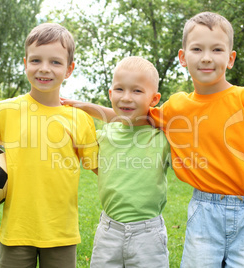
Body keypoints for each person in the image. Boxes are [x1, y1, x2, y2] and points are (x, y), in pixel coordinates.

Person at [62, 12, 244, 267]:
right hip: (204, 209)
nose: (206, 57)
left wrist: (237, 176)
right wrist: (86, 106)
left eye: (217, 49)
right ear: (183, 57)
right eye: (197, 49)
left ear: (230, 59)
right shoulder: (177, 107)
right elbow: (131, 117)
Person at [0, 23, 98, 268]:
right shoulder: (6, 110)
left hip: (61, 232)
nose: (44, 69)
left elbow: (99, 168)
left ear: (69, 69)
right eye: (36, 61)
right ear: (25, 63)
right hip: (17, 229)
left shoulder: (79, 119)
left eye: (55, 62)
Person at [68, 56, 170, 267]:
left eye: (137, 91)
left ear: (154, 99)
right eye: (120, 89)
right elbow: (114, 119)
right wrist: (83, 107)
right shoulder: (104, 135)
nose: (126, 98)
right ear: (110, 93)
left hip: (148, 233)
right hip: (109, 231)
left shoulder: (161, 136)